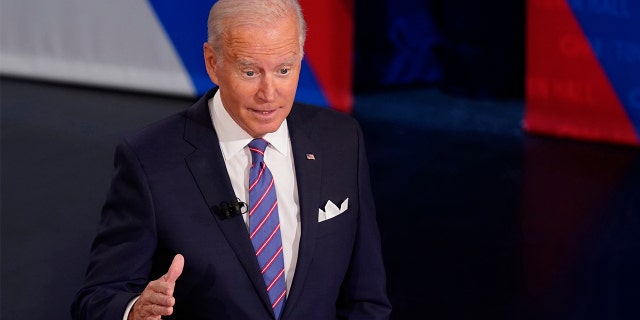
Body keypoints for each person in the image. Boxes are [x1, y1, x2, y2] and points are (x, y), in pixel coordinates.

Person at [71, 0, 391, 319]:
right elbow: (96, 299)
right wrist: (133, 312)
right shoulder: (150, 160)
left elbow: (366, 297)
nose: (269, 93)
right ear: (213, 63)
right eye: (250, 72)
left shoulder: (341, 140)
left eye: (284, 70)